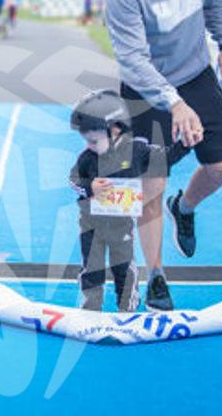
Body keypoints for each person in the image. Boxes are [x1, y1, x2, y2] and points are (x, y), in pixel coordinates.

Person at [105, 0, 222, 311]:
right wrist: (175, 103)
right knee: (151, 183)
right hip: (146, 90)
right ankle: (157, 277)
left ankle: (184, 208)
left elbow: (214, 2)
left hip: (196, 76)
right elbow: (134, 61)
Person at [68, 89, 167, 312]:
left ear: (115, 130)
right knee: (91, 267)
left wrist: (181, 145)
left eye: (94, 140)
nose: (89, 145)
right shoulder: (87, 158)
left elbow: (163, 155)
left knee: (123, 267)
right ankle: (91, 304)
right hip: (91, 225)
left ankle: (127, 305)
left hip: (121, 225)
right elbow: (73, 180)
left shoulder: (136, 151)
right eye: (87, 141)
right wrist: (89, 187)